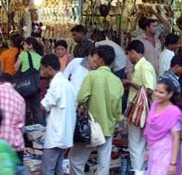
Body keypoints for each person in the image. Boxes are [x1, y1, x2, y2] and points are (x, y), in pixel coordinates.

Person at [69, 45, 123, 175]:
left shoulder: (92, 76)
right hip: (108, 127)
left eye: (96, 56)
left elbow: (81, 98)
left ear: (100, 59)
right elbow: (117, 110)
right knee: (104, 164)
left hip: (91, 128)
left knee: (76, 160)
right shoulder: (117, 81)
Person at [123, 40, 156, 173]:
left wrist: (130, 83)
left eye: (129, 54)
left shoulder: (145, 67)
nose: (128, 57)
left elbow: (149, 89)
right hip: (138, 111)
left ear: (133, 52)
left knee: (135, 143)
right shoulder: (140, 66)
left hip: (140, 111)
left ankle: (138, 170)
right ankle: (140, 169)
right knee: (139, 143)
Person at [40, 54, 76, 175]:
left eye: (42, 68)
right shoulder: (67, 83)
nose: (41, 71)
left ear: (49, 68)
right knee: (57, 168)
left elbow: (45, 104)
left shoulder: (57, 84)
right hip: (64, 132)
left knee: (48, 169)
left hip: (56, 133)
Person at [143, 79, 182, 175]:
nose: (157, 94)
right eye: (156, 91)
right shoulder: (154, 106)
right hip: (154, 151)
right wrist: (148, 149)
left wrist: (173, 163)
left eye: (161, 92)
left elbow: (176, 138)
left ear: (170, 94)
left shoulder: (174, 111)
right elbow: (150, 130)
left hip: (167, 153)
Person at [0, 73, 26, 161]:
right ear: (13, 84)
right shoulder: (21, 99)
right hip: (16, 145)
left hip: (0, 144)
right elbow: (21, 126)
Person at [14, 36, 44, 125]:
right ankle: (40, 130)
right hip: (35, 85)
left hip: (25, 85)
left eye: (25, 44)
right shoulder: (40, 57)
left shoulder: (23, 54)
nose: (23, 46)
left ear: (30, 46)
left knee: (23, 107)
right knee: (36, 109)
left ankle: (23, 127)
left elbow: (15, 67)